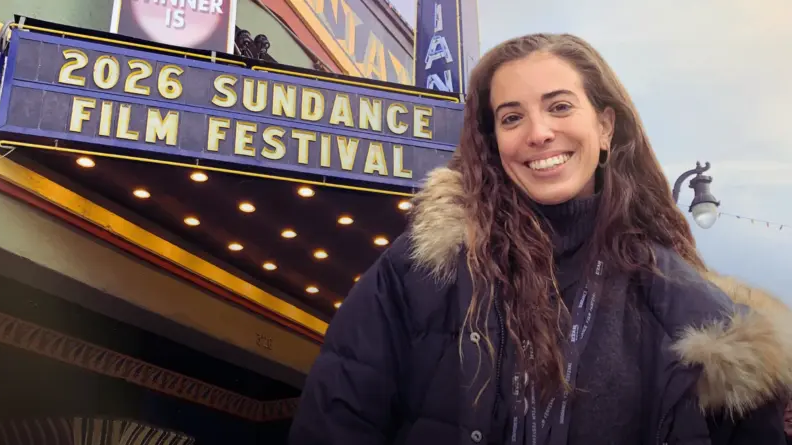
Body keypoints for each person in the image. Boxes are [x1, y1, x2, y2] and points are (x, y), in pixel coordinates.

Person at [288, 34, 792, 444]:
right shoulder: (419, 271)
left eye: (560, 106)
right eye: (511, 117)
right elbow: (333, 422)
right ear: (493, 143)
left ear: (605, 126)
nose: (538, 132)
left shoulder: (697, 318)